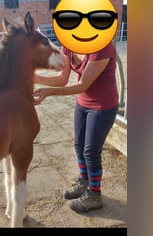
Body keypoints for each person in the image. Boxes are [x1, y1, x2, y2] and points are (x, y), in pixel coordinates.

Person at [33, 41, 119, 213]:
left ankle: (95, 195)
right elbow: (62, 80)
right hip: (83, 103)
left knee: (91, 151)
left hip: (103, 105)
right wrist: (33, 77)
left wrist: (48, 93)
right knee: (79, 146)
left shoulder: (102, 47)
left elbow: (82, 85)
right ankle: (84, 182)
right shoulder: (69, 45)